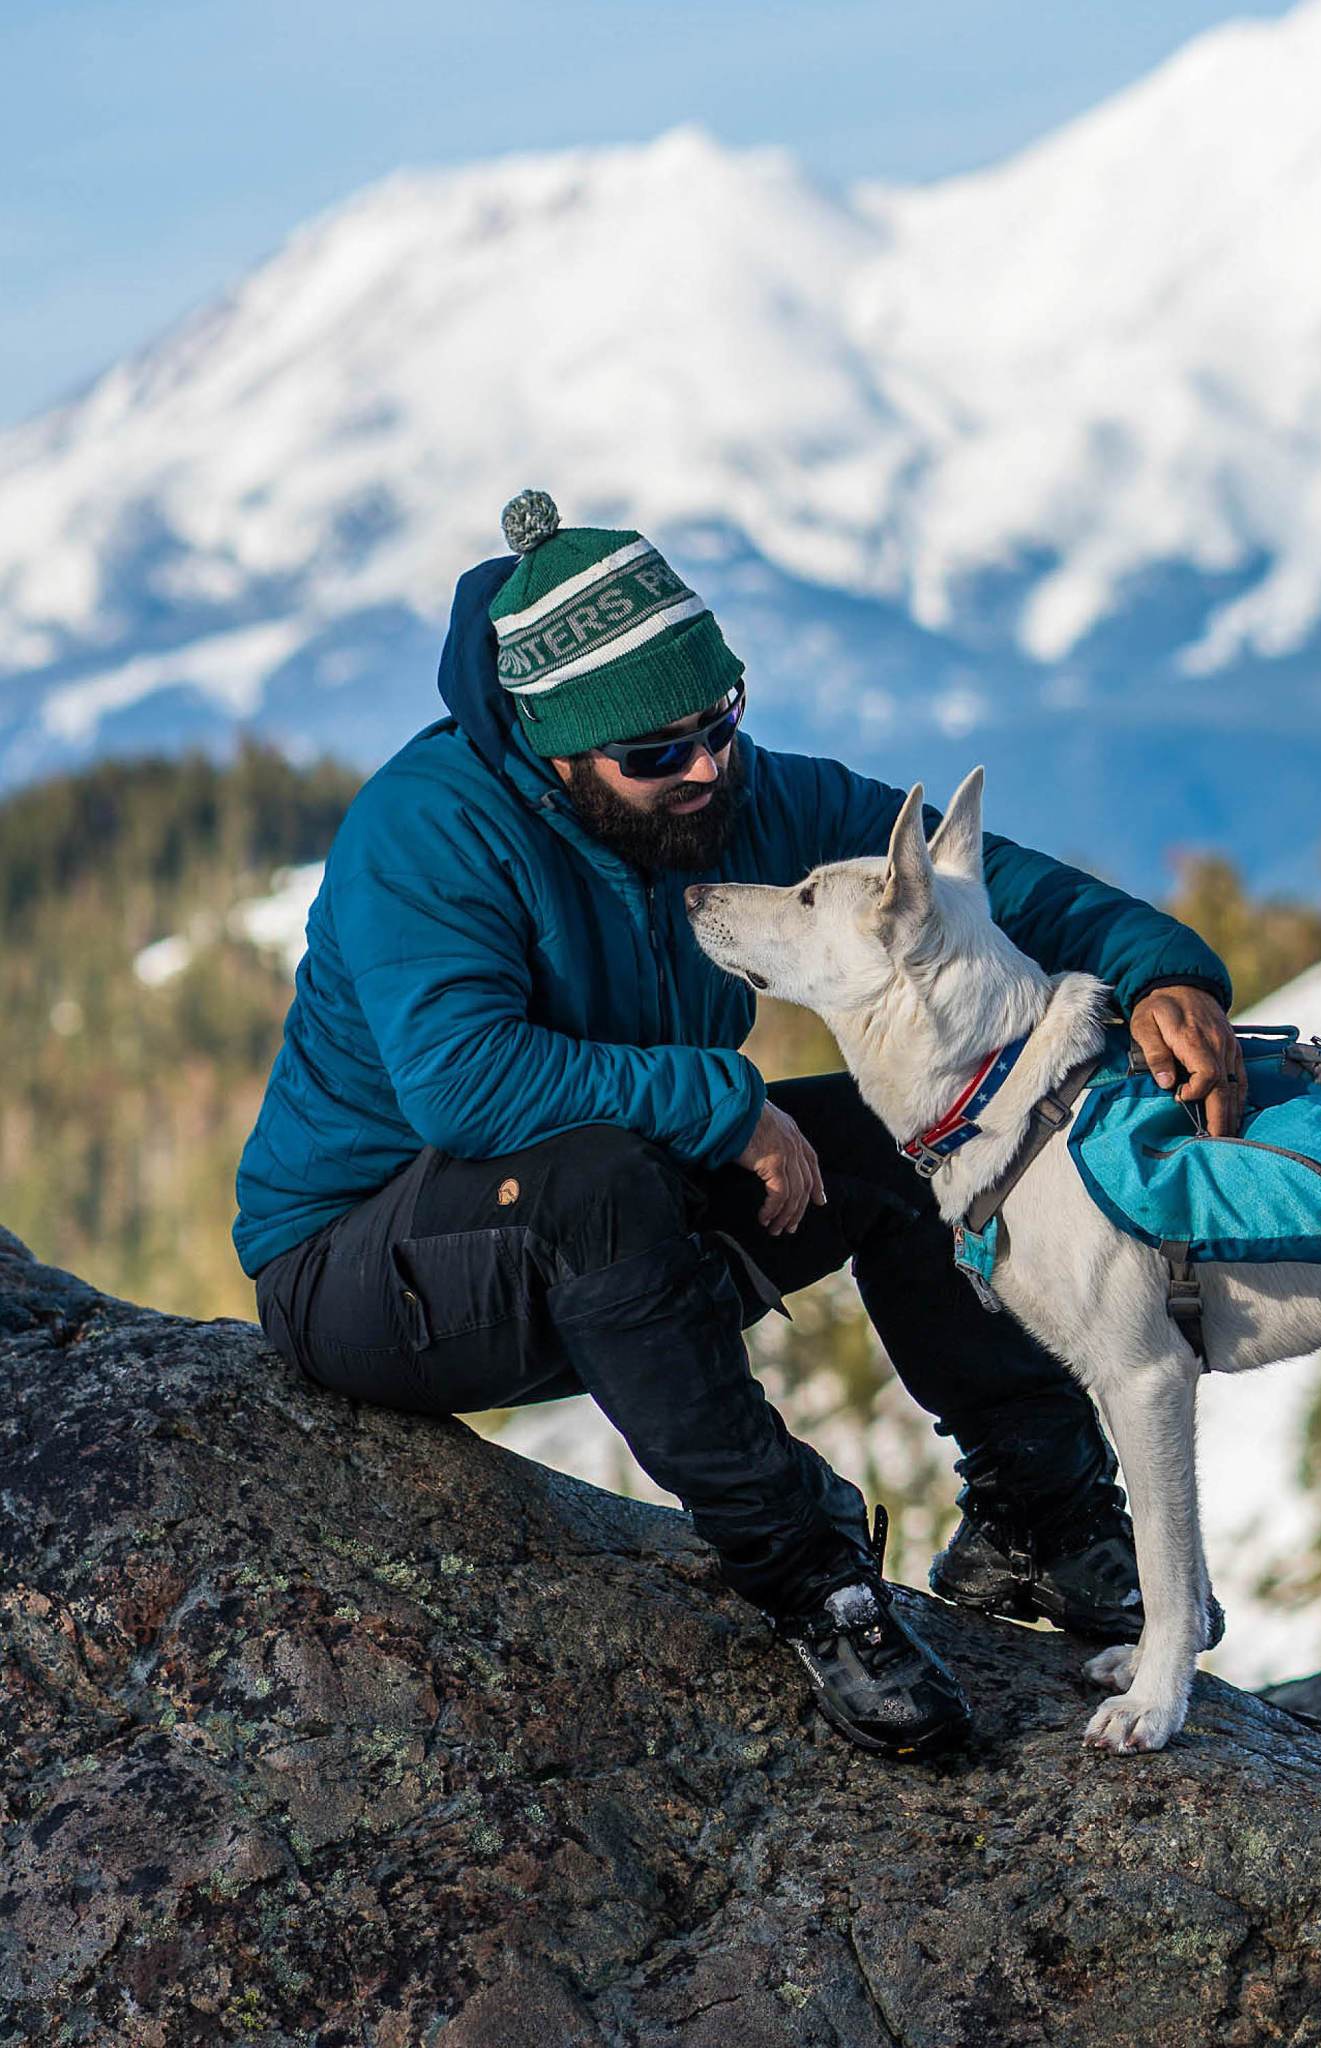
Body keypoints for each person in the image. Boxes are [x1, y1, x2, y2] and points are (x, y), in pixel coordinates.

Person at [235, 490, 1243, 1757]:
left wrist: (1159, 970)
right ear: (556, 753)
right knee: (595, 1179)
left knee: (914, 1139)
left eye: (720, 722)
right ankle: (814, 1582)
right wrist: (722, 1102)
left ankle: (1043, 1516)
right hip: (367, 1271)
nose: (706, 766)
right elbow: (461, 1083)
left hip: (622, 1219)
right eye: (656, 753)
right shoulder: (427, 831)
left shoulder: (733, 799)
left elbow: (984, 887)